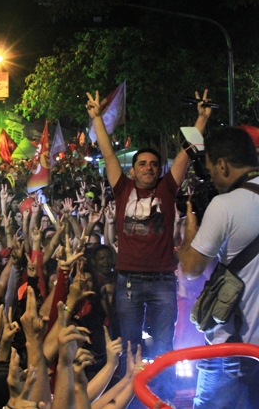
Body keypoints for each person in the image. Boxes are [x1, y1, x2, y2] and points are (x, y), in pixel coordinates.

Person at [86, 89, 211, 368]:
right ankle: (132, 387)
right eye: (142, 164)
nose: (148, 168)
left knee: (165, 345)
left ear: (160, 170)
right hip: (128, 281)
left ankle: (162, 387)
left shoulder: (166, 188)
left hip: (163, 281)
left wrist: (201, 119)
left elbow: (185, 154)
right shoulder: (122, 188)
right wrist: (97, 118)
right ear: (133, 170)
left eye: (154, 165)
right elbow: (108, 154)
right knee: (130, 345)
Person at [178, 126, 259, 408]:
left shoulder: (224, 205)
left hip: (234, 348)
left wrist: (191, 230)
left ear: (223, 165)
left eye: (211, 170)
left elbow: (190, 268)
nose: (211, 177)